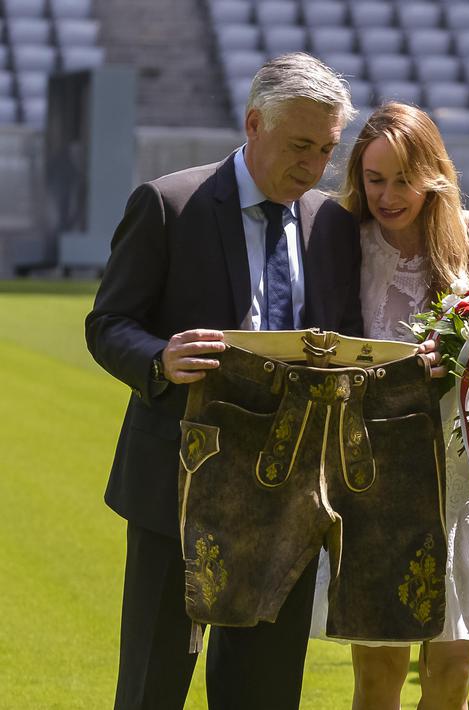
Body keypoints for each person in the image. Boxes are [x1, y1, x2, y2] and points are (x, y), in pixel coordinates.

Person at [84, 53, 360, 709]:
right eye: (299, 145)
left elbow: (344, 338)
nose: (313, 165)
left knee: (262, 692)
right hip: (176, 485)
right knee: (153, 684)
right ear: (252, 123)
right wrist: (158, 358)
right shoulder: (167, 204)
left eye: (326, 149)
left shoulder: (335, 225)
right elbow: (109, 322)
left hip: (290, 490)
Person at [321, 102, 469, 709]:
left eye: (403, 179)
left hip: (466, 476)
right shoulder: (342, 244)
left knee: (452, 671)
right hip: (373, 480)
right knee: (379, 674)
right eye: (374, 179)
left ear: (434, 172)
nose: (387, 196)